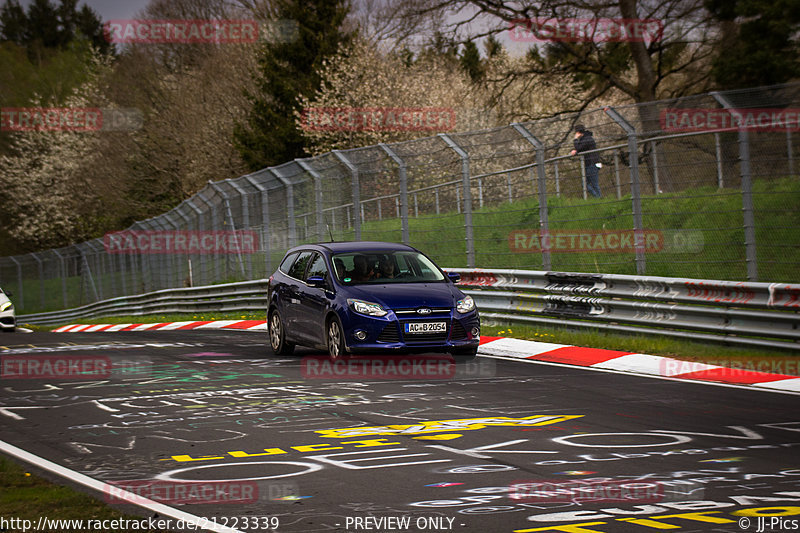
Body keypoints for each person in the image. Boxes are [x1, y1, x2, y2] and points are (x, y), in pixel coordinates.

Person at [569, 124, 602, 198]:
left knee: (593, 184)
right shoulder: (585, 139)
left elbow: (579, 147)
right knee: (586, 184)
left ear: (578, 132)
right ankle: (598, 198)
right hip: (589, 163)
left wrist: (575, 139)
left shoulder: (587, 139)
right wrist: (575, 150)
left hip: (592, 163)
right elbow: (580, 148)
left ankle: (598, 198)